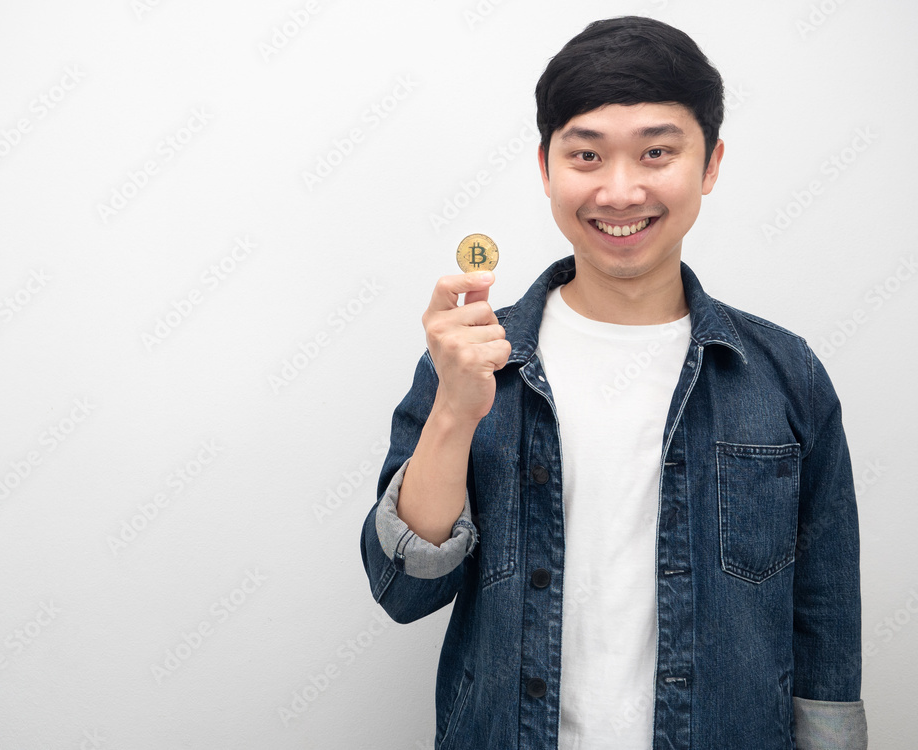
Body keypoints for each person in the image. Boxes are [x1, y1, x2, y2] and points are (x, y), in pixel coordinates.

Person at [359, 15, 866, 750]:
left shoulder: (786, 375)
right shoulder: (475, 357)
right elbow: (404, 590)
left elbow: (826, 623)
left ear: (711, 163)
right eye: (587, 155)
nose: (620, 191)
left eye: (657, 152)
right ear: (545, 169)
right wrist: (454, 415)